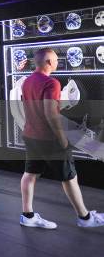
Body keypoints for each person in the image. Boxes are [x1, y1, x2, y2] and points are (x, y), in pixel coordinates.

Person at [20, 48, 104, 229]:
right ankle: (85, 218)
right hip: (49, 139)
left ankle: (28, 215)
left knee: (30, 174)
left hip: (30, 135)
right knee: (69, 177)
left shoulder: (27, 81)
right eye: (56, 59)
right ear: (48, 61)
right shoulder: (52, 83)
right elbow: (51, 113)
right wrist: (62, 138)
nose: (58, 62)